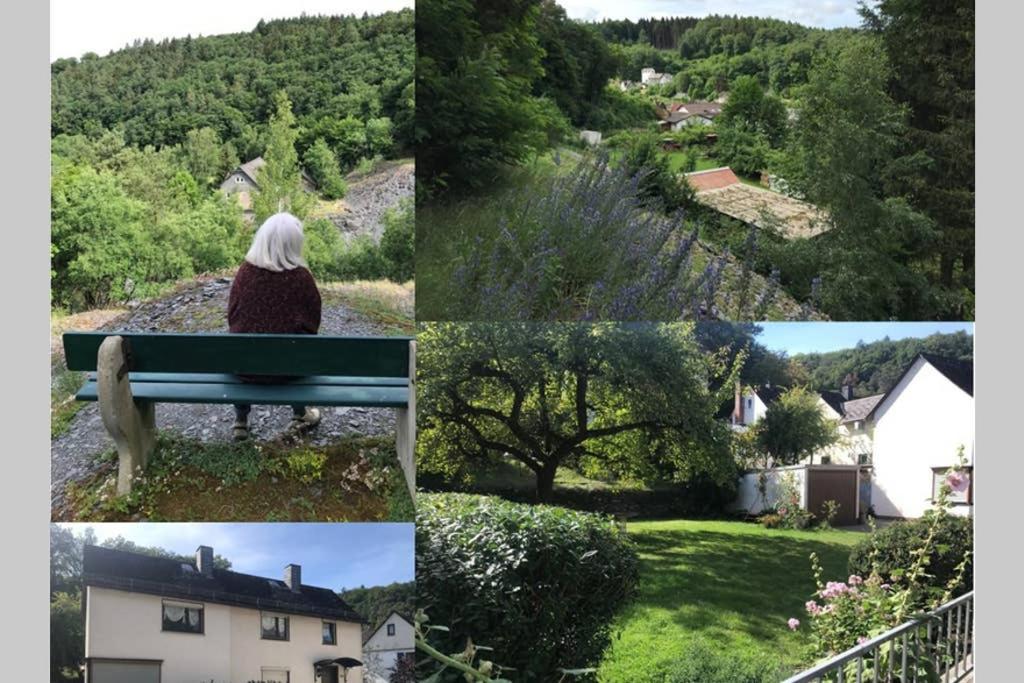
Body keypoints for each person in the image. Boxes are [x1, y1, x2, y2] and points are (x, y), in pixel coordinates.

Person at [227, 212, 322, 441]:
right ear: (294, 243)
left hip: (245, 370)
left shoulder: (245, 273)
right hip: (289, 371)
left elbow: (232, 318)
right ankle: (300, 414)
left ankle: (241, 421)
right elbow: (312, 325)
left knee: (240, 345)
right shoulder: (302, 278)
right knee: (300, 349)